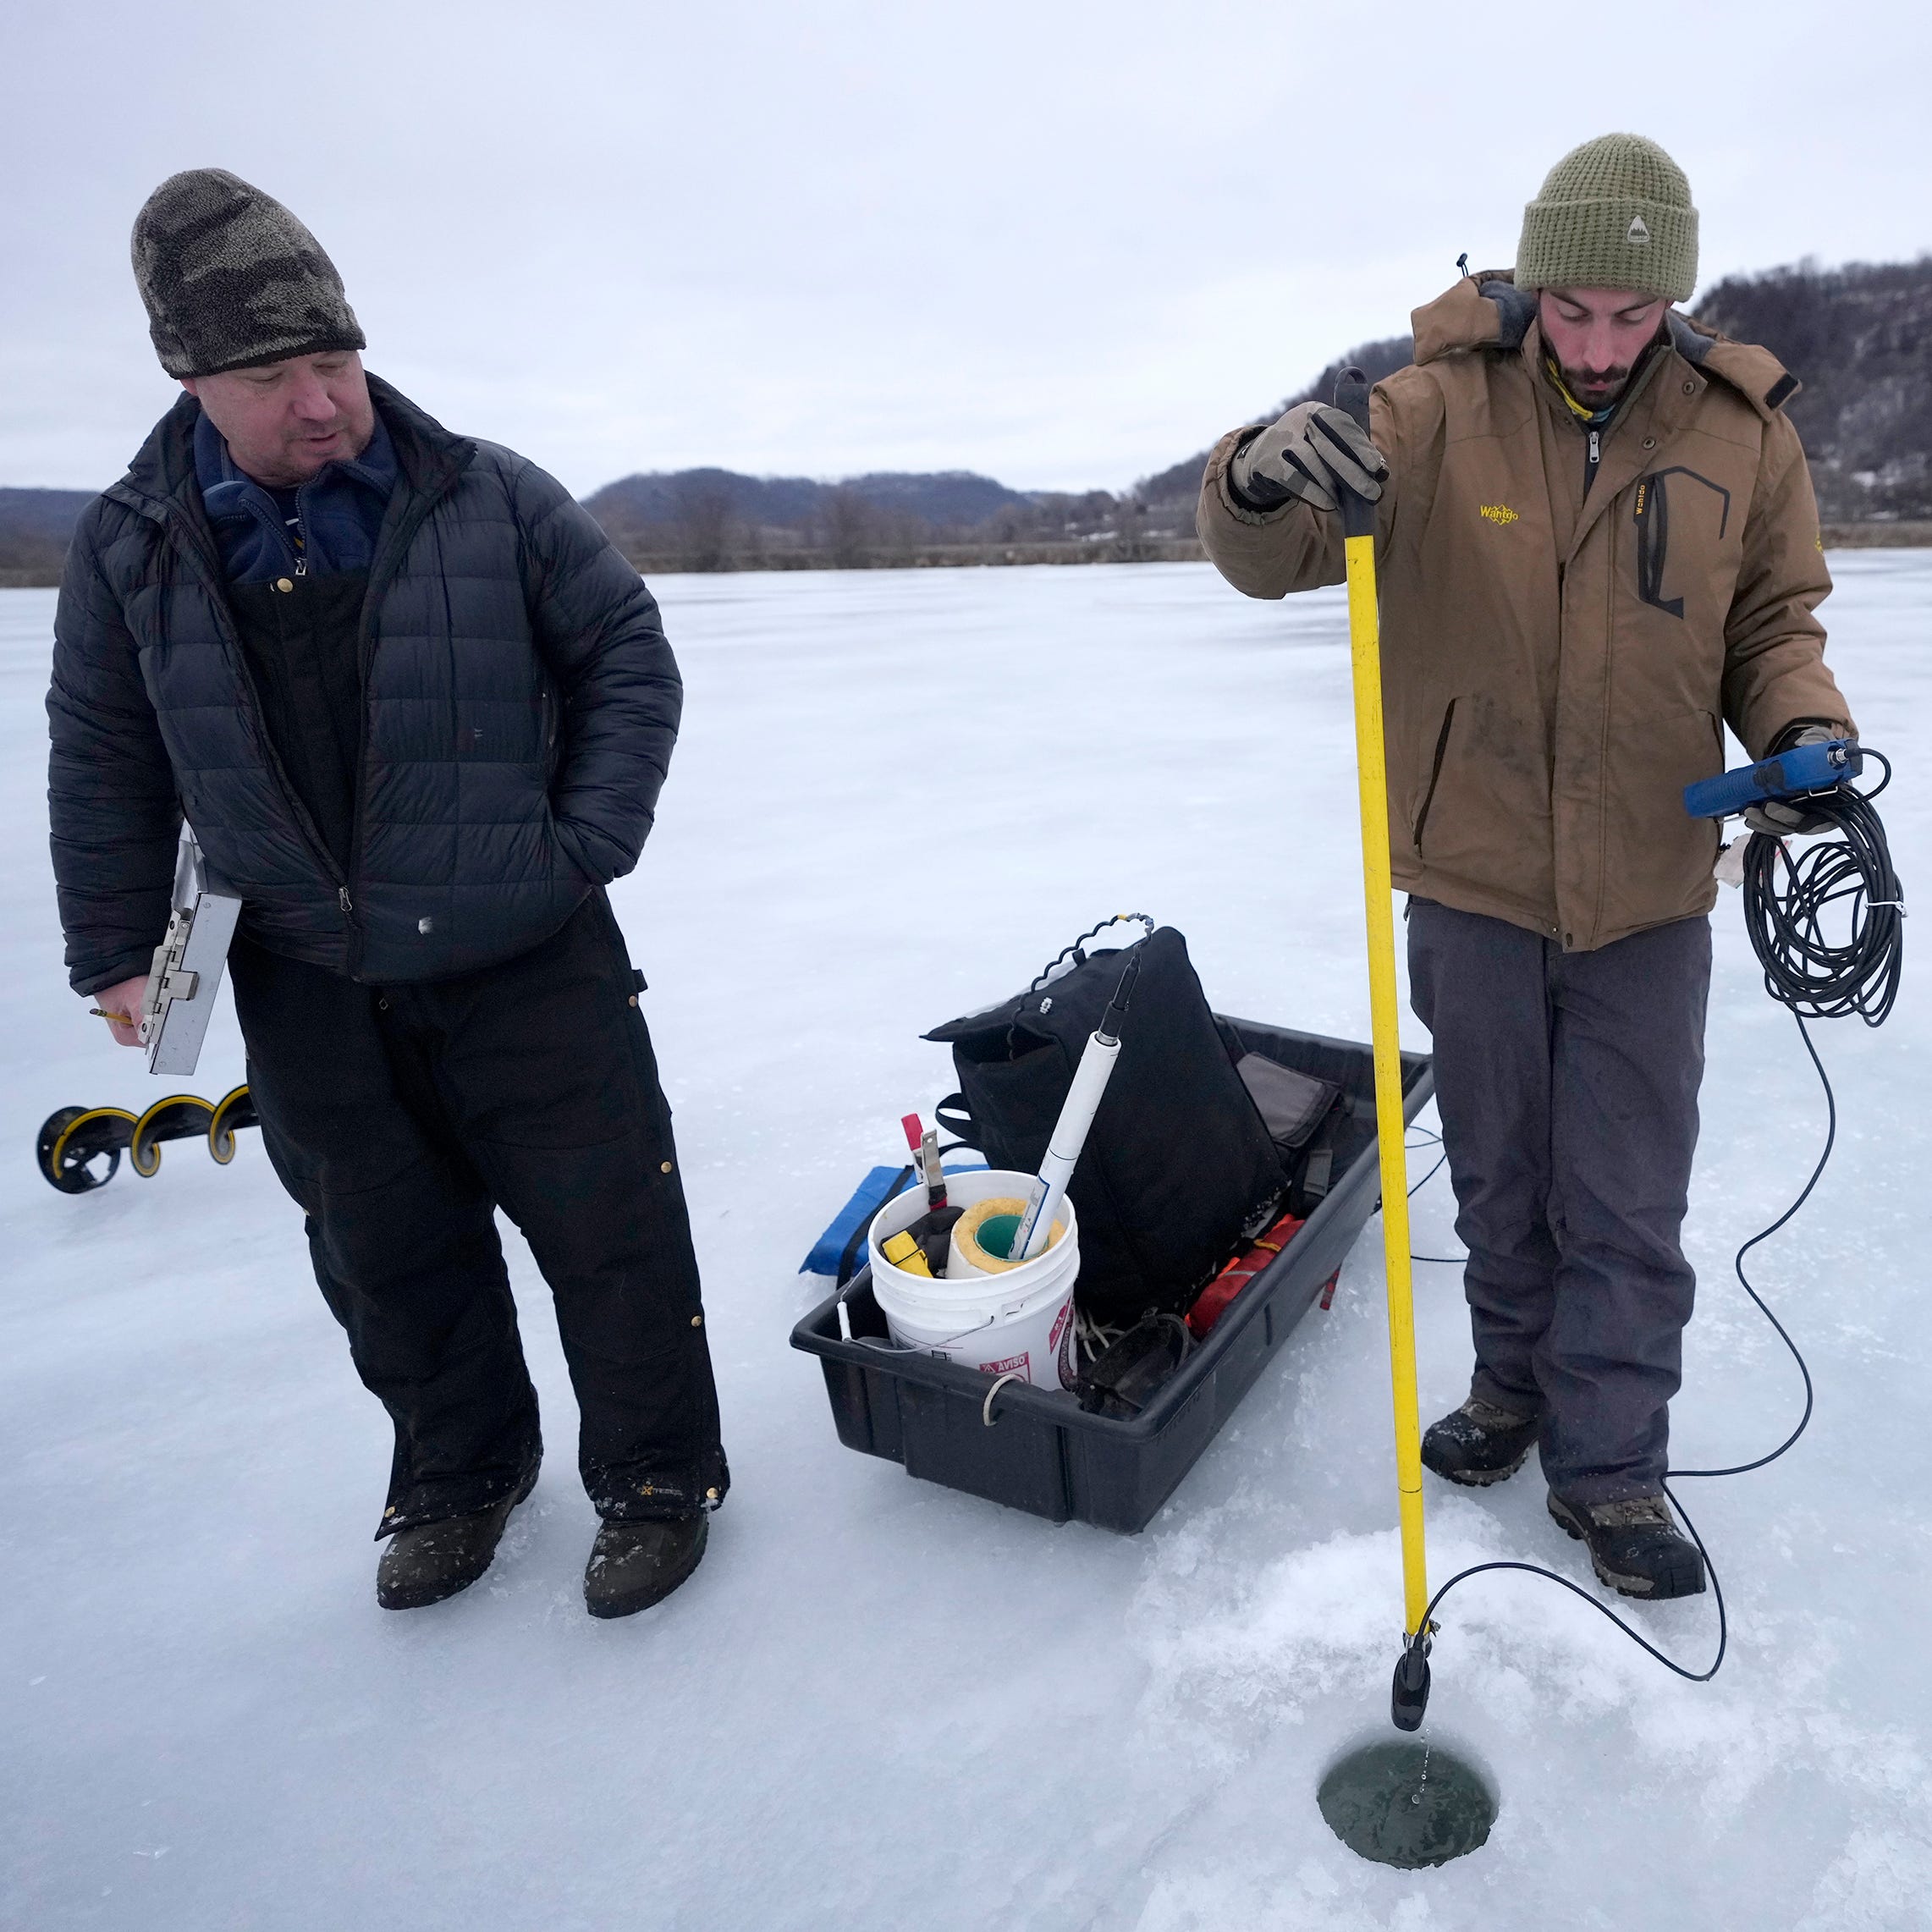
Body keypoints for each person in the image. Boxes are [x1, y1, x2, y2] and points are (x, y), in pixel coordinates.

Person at [48, 169, 728, 1618]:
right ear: (192, 381)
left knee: (611, 1231)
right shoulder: (131, 549)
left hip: (523, 952)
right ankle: (458, 1475)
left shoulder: (485, 494)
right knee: (383, 1254)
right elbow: (105, 753)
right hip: (303, 972)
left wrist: (581, 847)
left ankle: (659, 1479)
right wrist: (117, 946)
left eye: (335, 359)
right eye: (276, 373)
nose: (322, 400)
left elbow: (625, 652)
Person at [1196, 134, 1854, 1599]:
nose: (1604, 345)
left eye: (1636, 316)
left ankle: (1611, 1469)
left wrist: (1803, 730)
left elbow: (1773, 625)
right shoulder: (1427, 411)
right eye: (1576, 311)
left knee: (1625, 1195)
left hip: (1647, 889)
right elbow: (1273, 550)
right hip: (1474, 876)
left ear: (1675, 301)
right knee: (1500, 1172)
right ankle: (1512, 1388)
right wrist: (1252, 476)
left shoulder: (1745, 432)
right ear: (1535, 283)